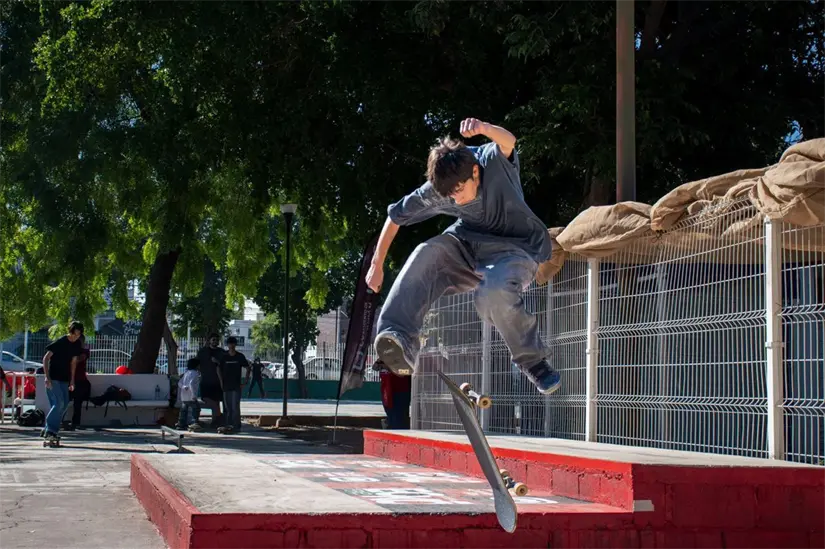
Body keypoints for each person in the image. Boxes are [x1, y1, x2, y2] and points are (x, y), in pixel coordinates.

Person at [366, 118, 561, 395]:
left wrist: (484, 129)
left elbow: (509, 141)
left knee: (492, 292)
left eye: (459, 191)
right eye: (449, 196)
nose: (455, 200)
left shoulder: (492, 161)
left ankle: (533, 361)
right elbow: (395, 217)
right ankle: (399, 338)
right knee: (427, 253)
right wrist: (377, 264)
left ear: (474, 173)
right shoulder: (442, 187)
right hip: (467, 245)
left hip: (516, 250)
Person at [41, 321, 84, 439]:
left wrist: (72, 380)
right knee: (58, 403)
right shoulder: (61, 342)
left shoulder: (76, 345)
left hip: (65, 379)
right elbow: (46, 358)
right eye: (74, 334)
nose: (76, 337)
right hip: (53, 377)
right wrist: (47, 377)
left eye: (78, 335)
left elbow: (73, 363)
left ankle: (47, 428)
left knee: (65, 404)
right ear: (70, 332)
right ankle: (51, 430)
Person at [217, 336, 248, 434]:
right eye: (230, 343)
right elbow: (218, 368)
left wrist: (245, 382)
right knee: (227, 407)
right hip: (226, 385)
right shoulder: (224, 356)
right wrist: (221, 382)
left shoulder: (240, 356)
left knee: (235, 406)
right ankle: (228, 425)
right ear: (228, 344)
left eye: (233, 343)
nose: (231, 345)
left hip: (236, 385)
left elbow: (248, 367)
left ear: (235, 344)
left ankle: (236, 426)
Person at [373, 359, 412, 429]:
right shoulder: (384, 357)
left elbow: (406, 372)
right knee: (391, 417)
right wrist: (380, 363)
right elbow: (374, 367)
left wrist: (389, 368)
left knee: (399, 419)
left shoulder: (403, 357)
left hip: (400, 392)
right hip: (386, 393)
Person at [198, 333, 225, 428]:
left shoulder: (222, 352)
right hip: (205, 381)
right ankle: (196, 419)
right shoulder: (203, 352)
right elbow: (198, 363)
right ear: (209, 341)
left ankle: (215, 421)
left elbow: (225, 365)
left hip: (217, 382)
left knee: (217, 401)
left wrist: (217, 362)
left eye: (217, 340)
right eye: (213, 340)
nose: (215, 342)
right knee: (207, 400)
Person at [67, 336, 91, 430]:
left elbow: (77, 360)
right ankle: (61, 421)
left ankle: (75, 423)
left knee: (77, 403)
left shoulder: (84, 352)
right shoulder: (70, 351)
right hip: (69, 380)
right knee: (64, 401)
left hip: (80, 381)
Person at [176, 358, 203, 431]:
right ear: (196, 366)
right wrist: (194, 395)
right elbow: (191, 384)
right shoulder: (195, 373)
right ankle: (194, 423)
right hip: (191, 396)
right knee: (196, 409)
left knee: (184, 410)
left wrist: (184, 387)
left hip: (184, 396)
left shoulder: (186, 373)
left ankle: (181, 424)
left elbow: (179, 383)